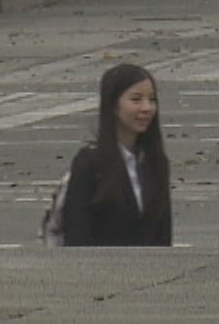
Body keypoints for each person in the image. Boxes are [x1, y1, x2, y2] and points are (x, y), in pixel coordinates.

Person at [60, 63, 172, 247]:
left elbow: (163, 238)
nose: (146, 107)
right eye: (136, 99)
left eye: (152, 99)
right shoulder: (89, 163)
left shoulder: (156, 163)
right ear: (113, 105)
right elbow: (76, 234)